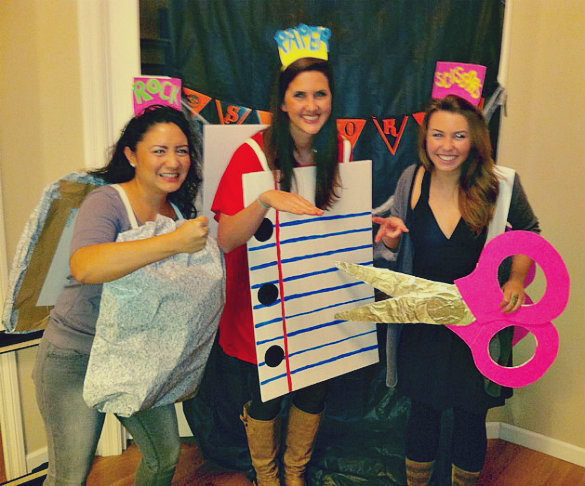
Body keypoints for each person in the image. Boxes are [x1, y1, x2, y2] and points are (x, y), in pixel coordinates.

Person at [33, 105, 209, 486]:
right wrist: (172, 242)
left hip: (135, 358)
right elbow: (86, 266)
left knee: (164, 457)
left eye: (181, 151)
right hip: (75, 356)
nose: (173, 161)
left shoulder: (177, 211)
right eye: (159, 151)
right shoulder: (107, 202)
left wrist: (262, 201)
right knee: (69, 477)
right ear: (131, 155)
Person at [372, 95, 540, 486]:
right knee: (422, 412)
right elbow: (392, 254)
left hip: (480, 323)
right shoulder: (411, 179)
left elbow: (529, 231)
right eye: (438, 134)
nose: (447, 145)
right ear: (425, 138)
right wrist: (392, 241)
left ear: (475, 138)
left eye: (459, 136)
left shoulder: (501, 184)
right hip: (424, 322)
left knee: (471, 415)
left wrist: (516, 279)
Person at [211, 55, 351, 486]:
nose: (311, 105)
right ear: (284, 102)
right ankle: (266, 476)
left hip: (316, 294)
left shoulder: (341, 150)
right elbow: (226, 238)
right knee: (268, 394)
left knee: (315, 386)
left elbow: (339, 225)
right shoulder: (252, 154)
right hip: (263, 303)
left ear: (332, 99)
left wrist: (376, 230)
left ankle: (294, 473)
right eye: (300, 95)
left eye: (320, 94)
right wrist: (264, 199)